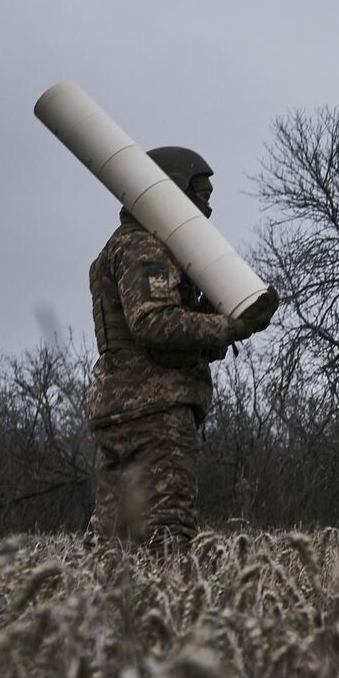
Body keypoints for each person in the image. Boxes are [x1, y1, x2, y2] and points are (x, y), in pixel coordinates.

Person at [87, 146, 273, 548]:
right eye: (200, 194)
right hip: (155, 413)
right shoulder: (145, 248)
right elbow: (153, 324)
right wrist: (229, 325)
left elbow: (164, 330)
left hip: (124, 409)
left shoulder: (127, 245)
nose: (206, 207)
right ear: (171, 192)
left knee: (113, 543)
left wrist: (214, 318)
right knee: (167, 536)